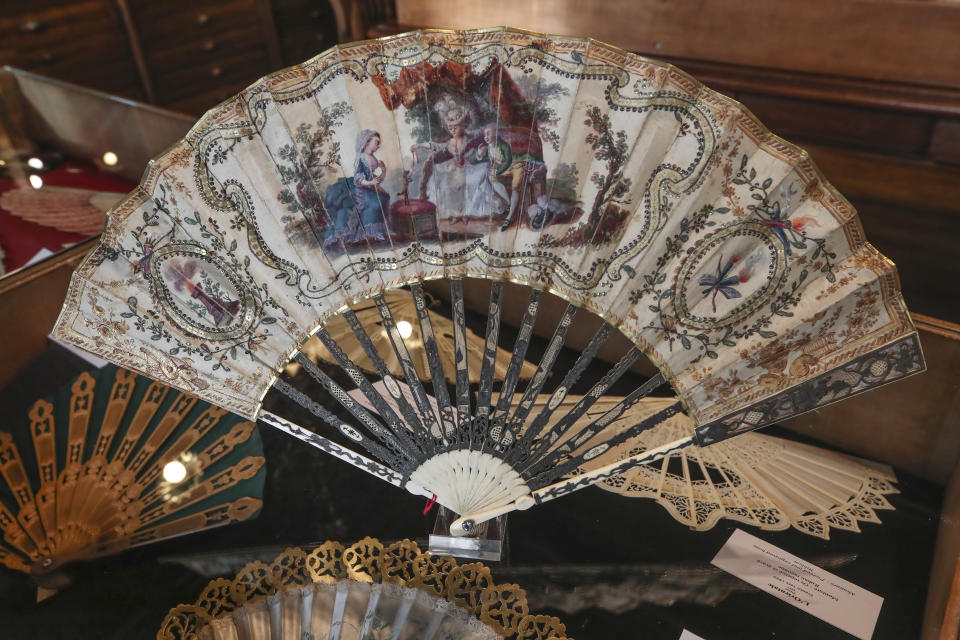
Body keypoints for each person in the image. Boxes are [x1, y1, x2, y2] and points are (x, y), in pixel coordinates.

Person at [323, 130, 390, 250]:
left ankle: (375, 231)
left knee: (384, 198)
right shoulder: (362, 159)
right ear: (367, 142)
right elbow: (358, 179)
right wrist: (370, 182)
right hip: (361, 189)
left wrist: (383, 171)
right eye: (376, 142)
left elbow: (376, 178)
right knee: (374, 204)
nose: (378, 146)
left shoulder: (373, 157)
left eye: (379, 143)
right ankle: (363, 233)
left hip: (370, 187)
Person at [473, 123, 543, 231]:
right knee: (491, 178)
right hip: (507, 168)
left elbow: (508, 161)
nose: (485, 137)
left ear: (496, 134)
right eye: (484, 135)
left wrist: (497, 171)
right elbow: (473, 161)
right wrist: (478, 154)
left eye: (488, 134)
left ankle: (509, 217)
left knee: (515, 187)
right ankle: (510, 202)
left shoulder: (503, 145)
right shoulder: (489, 147)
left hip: (517, 165)